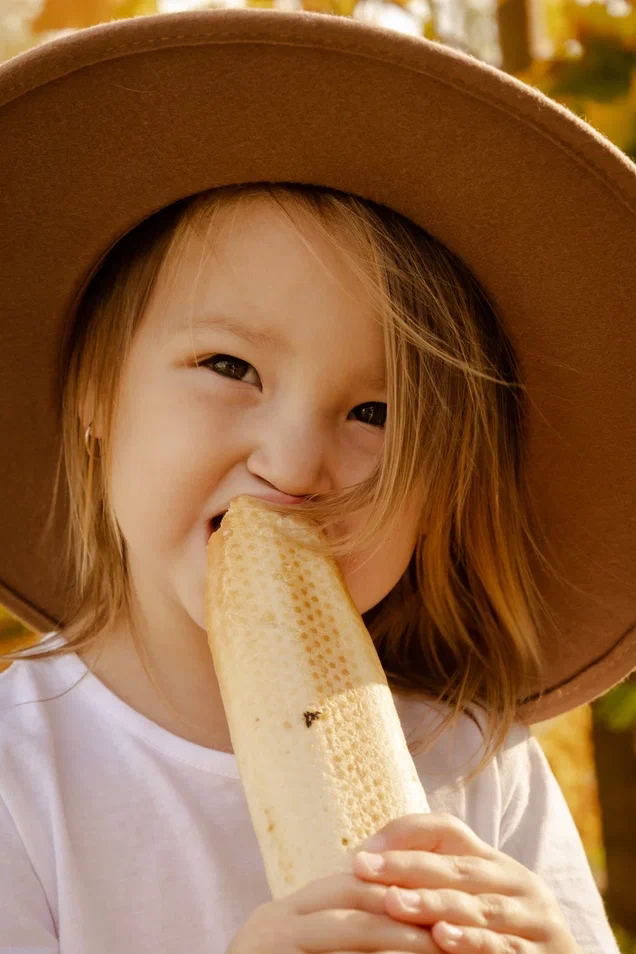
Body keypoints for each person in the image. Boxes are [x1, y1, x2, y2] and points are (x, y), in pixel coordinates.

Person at [0, 8, 634, 954]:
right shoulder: (20, 779)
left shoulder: (472, 766)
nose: (295, 468)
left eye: (376, 415)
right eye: (230, 367)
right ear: (96, 395)